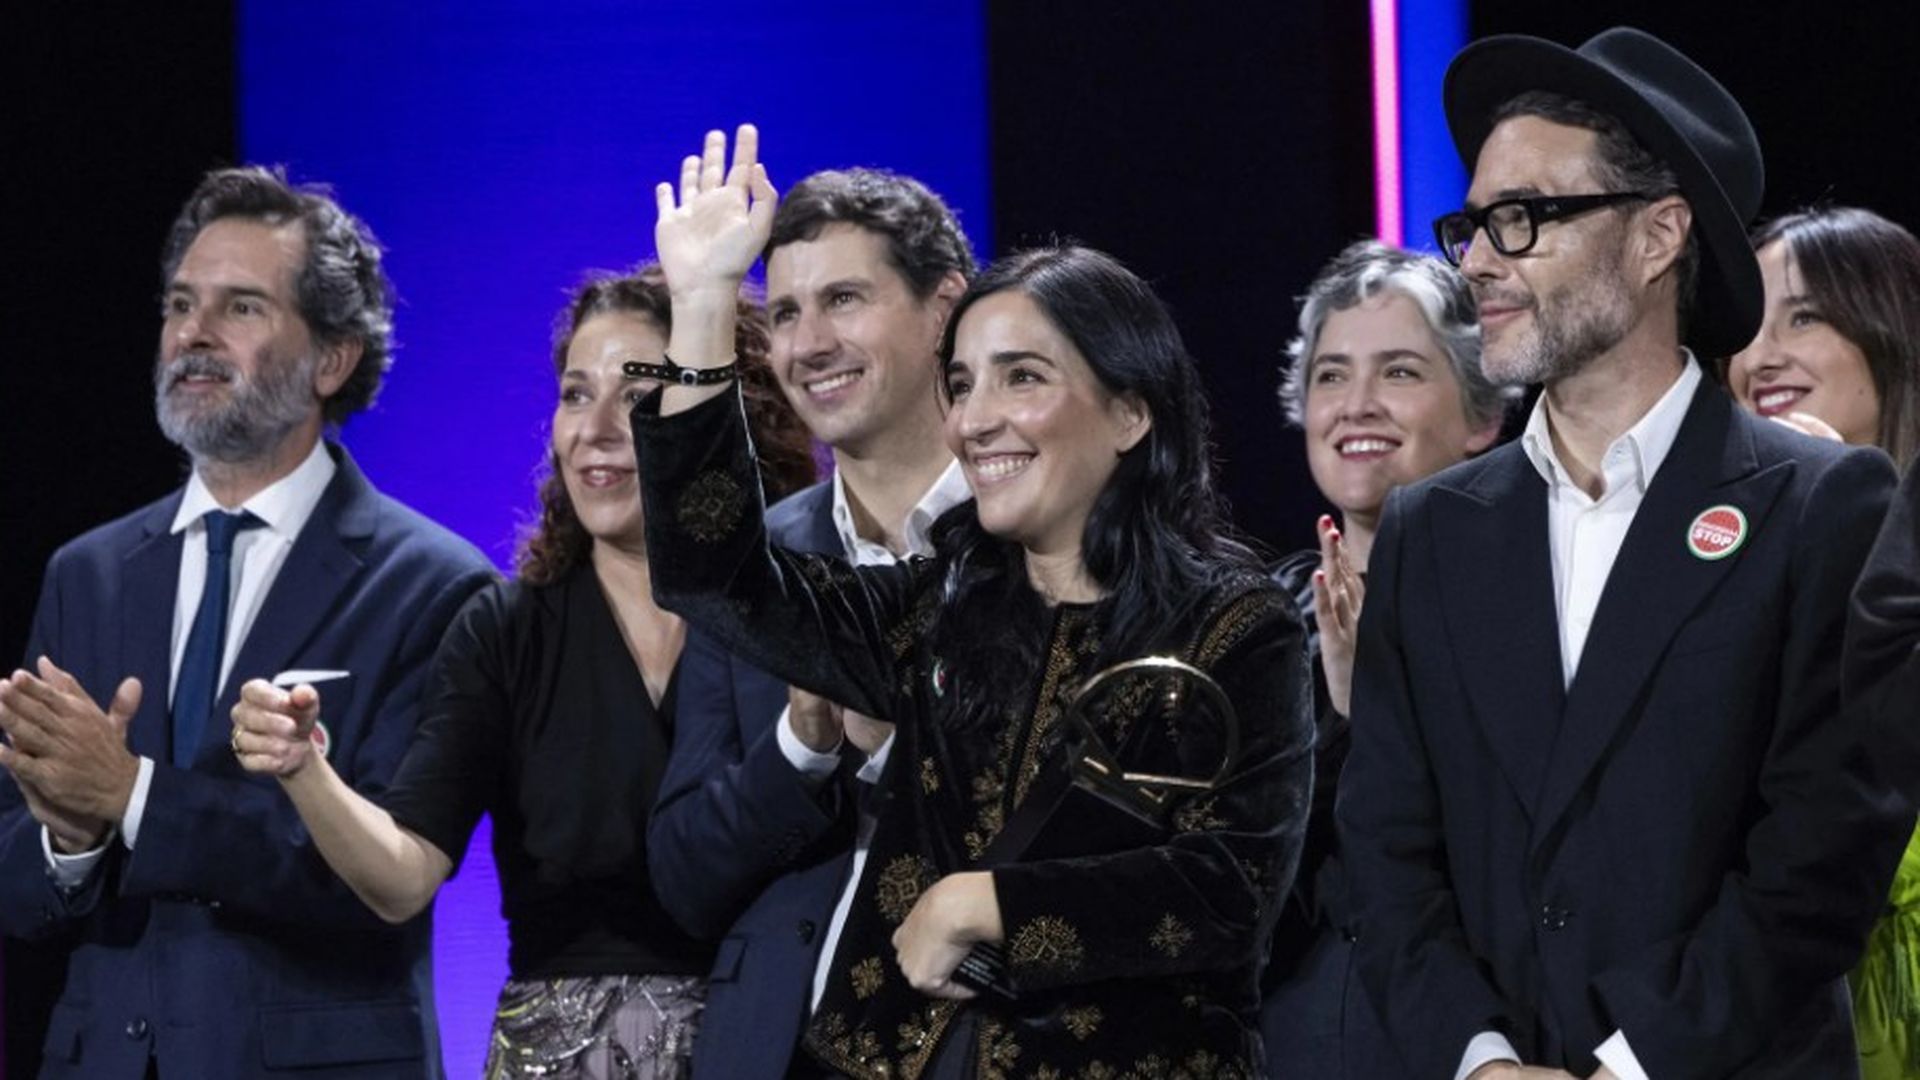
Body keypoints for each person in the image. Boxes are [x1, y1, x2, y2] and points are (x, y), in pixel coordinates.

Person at [634, 127, 1313, 1079]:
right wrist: (706, 306)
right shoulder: (933, 609)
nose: (975, 418)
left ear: (1130, 411)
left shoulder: (1236, 627)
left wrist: (985, 905)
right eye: (961, 384)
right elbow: (714, 574)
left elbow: (1228, 892)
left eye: (1021, 377)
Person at [1338, 27, 1909, 1080]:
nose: (1477, 262)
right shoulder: (1432, 529)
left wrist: (1632, 1063)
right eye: (1472, 224)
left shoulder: (1823, 505)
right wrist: (1481, 1060)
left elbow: (1821, 860)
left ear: (1657, 238)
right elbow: (1383, 854)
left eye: (1523, 218)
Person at [230, 265, 815, 1079]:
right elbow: (403, 876)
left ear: (713, 413)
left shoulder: (793, 613)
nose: (595, 430)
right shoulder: (505, 631)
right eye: (576, 395)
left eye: (637, 396)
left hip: (766, 1043)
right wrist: (305, 771)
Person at [0, 166, 496, 1078]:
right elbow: (14, 872)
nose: (194, 334)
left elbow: (380, 876)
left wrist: (134, 795)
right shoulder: (88, 574)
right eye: (180, 304)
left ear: (332, 359)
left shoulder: (434, 584)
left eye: (241, 307)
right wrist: (71, 840)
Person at [643, 166, 975, 1080]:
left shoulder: (1033, 535)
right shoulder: (756, 568)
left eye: (844, 299)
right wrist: (803, 744)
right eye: (786, 313)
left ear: (945, 308)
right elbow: (683, 878)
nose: (811, 343)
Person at [1261, 240, 1508, 1078]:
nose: (1356, 406)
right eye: (1330, 375)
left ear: (1483, 414)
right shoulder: (1260, 617)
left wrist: (1379, 709)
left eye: (1399, 372)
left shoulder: (1535, 604)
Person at [1724, 206, 1920, 1080]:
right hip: (1780, 1021)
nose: (1761, 356)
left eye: (1802, 317)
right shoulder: (1711, 551)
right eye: (1749, 325)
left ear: (1892, 329)